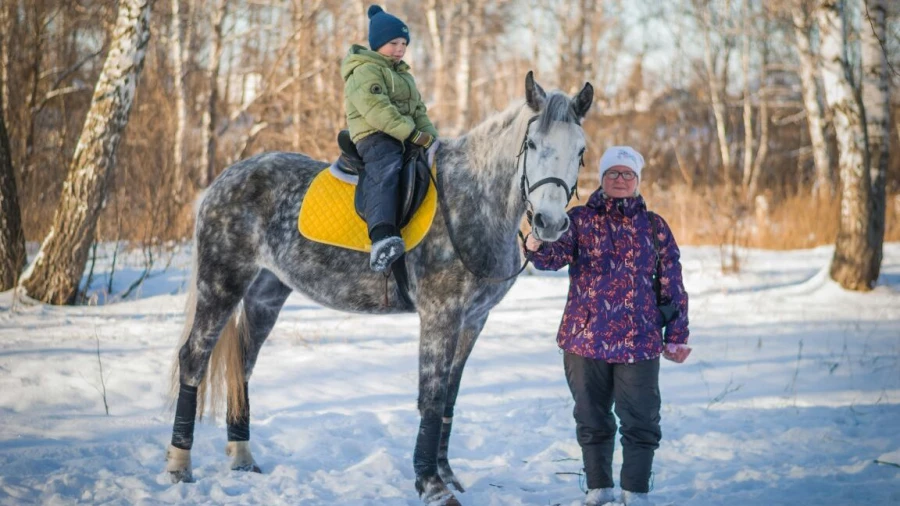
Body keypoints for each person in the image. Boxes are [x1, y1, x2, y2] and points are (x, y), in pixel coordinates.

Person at [524, 146, 691, 506]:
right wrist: (535, 240)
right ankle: (598, 489)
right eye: (613, 173)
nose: (620, 179)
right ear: (601, 179)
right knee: (591, 418)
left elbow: (671, 283)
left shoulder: (654, 226)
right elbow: (551, 258)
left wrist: (676, 334)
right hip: (585, 340)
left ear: (637, 181)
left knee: (641, 420)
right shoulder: (580, 219)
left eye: (627, 174)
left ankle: (636, 492)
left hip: (639, 342)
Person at [341, 4, 439, 272]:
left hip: (402, 135)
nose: (400, 48)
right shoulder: (365, 71)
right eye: (394, 42)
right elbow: (377, 111)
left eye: (404, 43)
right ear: (378, 43)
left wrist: (432, 139)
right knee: (387, 164)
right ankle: (382, 235)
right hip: (375, 135)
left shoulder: (403, 75)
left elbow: (418, 111)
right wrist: (411, 134)